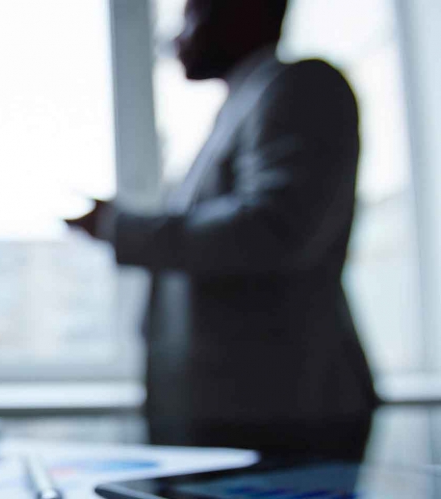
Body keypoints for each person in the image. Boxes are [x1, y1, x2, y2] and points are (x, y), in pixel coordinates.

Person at [69, 0, 377, 457]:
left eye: (191, 15)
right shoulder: (244, 105)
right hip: (244, 409)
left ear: (243, 13)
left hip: (281, 410)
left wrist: (122, 228)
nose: (176, 36)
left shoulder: (299, 86)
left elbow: (275, 230)